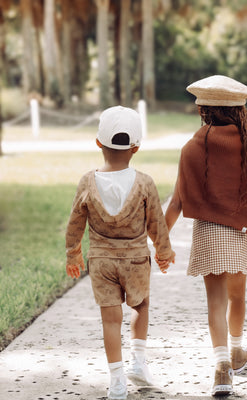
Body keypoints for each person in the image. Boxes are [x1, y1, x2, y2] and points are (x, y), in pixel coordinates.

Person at [164, 75, 247, 396]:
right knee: (237, 297)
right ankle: (238, 351)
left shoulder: (193, 147)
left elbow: (176, 201)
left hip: (209, 235)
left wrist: (159, 239)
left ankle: (222, 368)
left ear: (202, 110)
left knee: (215, 302)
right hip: (241, 232)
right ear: (241, 112)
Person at [65, 106, 175, 400]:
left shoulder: (87, 181)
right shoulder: (144, 182)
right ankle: (138, 362)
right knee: (141, 306)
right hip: (136, 259)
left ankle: (117, 380)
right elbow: (156, 223)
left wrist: (72, 253)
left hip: (101, 261)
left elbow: (75, 222)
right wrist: (163, 252)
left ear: (98, 143)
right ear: (136, 147)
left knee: (110, 320)